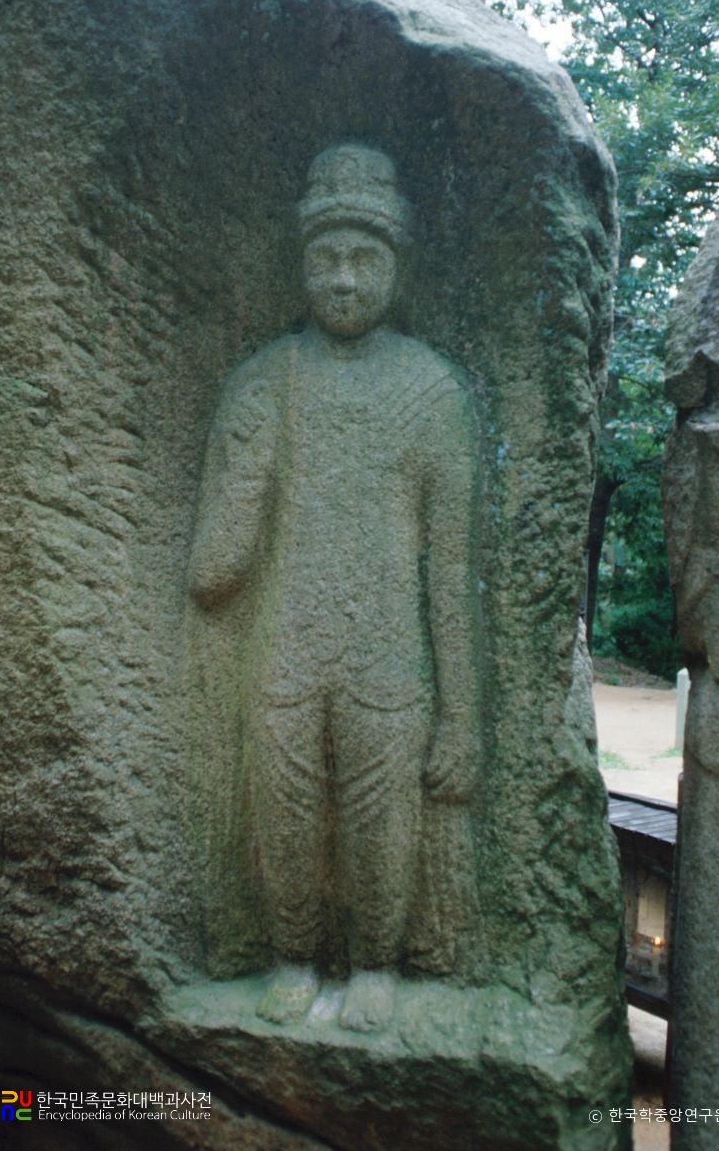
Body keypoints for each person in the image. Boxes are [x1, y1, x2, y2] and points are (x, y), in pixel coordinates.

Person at [188, 145, 480, 1032]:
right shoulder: (265, 381)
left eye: (366, 259)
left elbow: (450, 568)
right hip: (287, 646)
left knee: (382, 823)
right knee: (284, 819)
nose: (345, 279)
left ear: (399, 266)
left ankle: (379, 965)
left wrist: (462, 714)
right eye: (327, 258)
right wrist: (245, 473)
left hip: (391, 657)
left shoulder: (432, 392)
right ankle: (292, 956)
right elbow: (212, 574)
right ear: (301, 263)